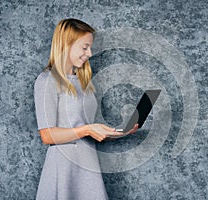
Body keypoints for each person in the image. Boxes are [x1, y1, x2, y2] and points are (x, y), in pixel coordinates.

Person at [33, 18, 138, 200]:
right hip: (64, 168)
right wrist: (88, 129)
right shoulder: (46, 81)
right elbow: (47, 135)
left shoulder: (84, 84)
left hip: (89, 165)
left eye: (90, 48)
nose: (89, 53)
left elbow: (90, 130)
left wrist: (121, 132)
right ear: (67, 44)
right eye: (84, 47)